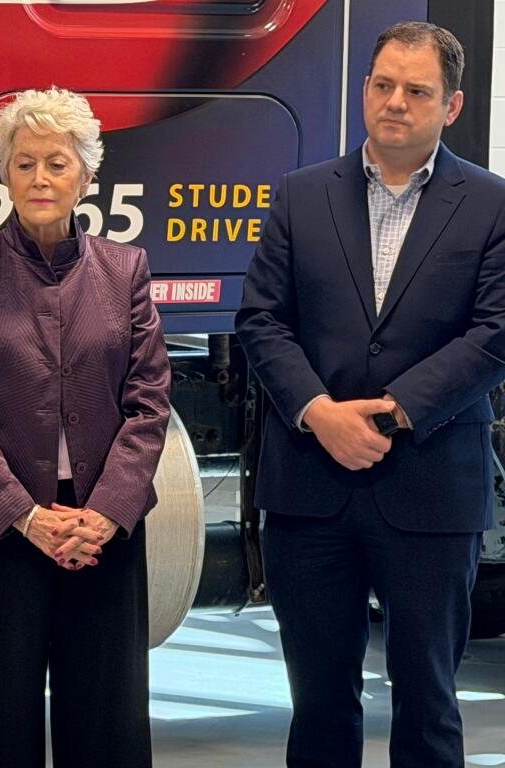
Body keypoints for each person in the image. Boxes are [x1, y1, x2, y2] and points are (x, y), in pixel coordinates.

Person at [235, 22, 505, 768]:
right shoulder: (299, 195)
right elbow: (261, 319)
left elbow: (495, 333)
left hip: (431, 489)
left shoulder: (492, 204)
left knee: (428, 705)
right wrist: (321, 415)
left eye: (417, 91)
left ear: (450, 106)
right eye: (383, 85)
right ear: (364, 91)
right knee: (319, 706)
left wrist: (389, 413)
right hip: (310, 492)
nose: (395, 103)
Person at [0, 86, 170, 768]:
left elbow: (149, 402)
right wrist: (25, 516)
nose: (40, 178)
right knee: (7, 720)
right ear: (5, 173)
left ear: (86, 176)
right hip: (2, 535)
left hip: (105, 536)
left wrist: (106, 514)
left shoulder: (126, 271)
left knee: (109, 721)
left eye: (56, 163)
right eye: (24, 162)